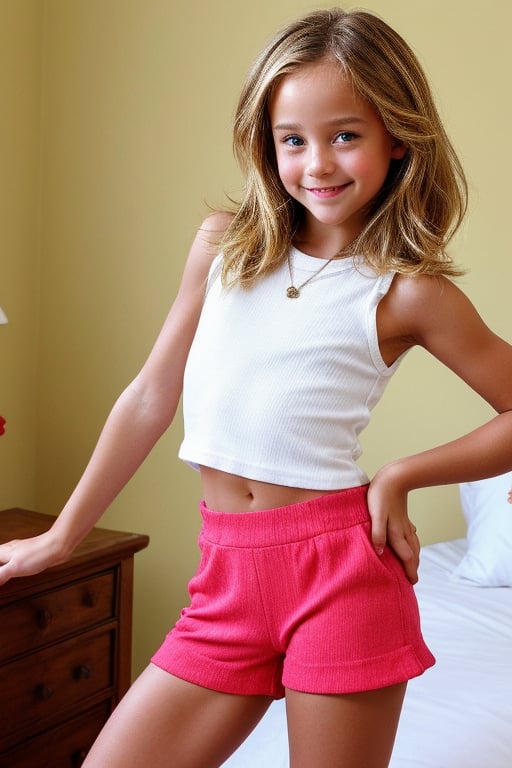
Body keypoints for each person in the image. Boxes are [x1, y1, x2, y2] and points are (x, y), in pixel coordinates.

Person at [1, 7, 512, 768]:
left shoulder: (407, 293)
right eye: (292, 140)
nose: (318, 164)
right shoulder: (223, 246)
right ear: (266, 142)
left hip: (342, 577)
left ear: (397, 137)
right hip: (227, 576)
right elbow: (150, 394)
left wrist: (402, 476)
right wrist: (62, 537)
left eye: (346, 135)